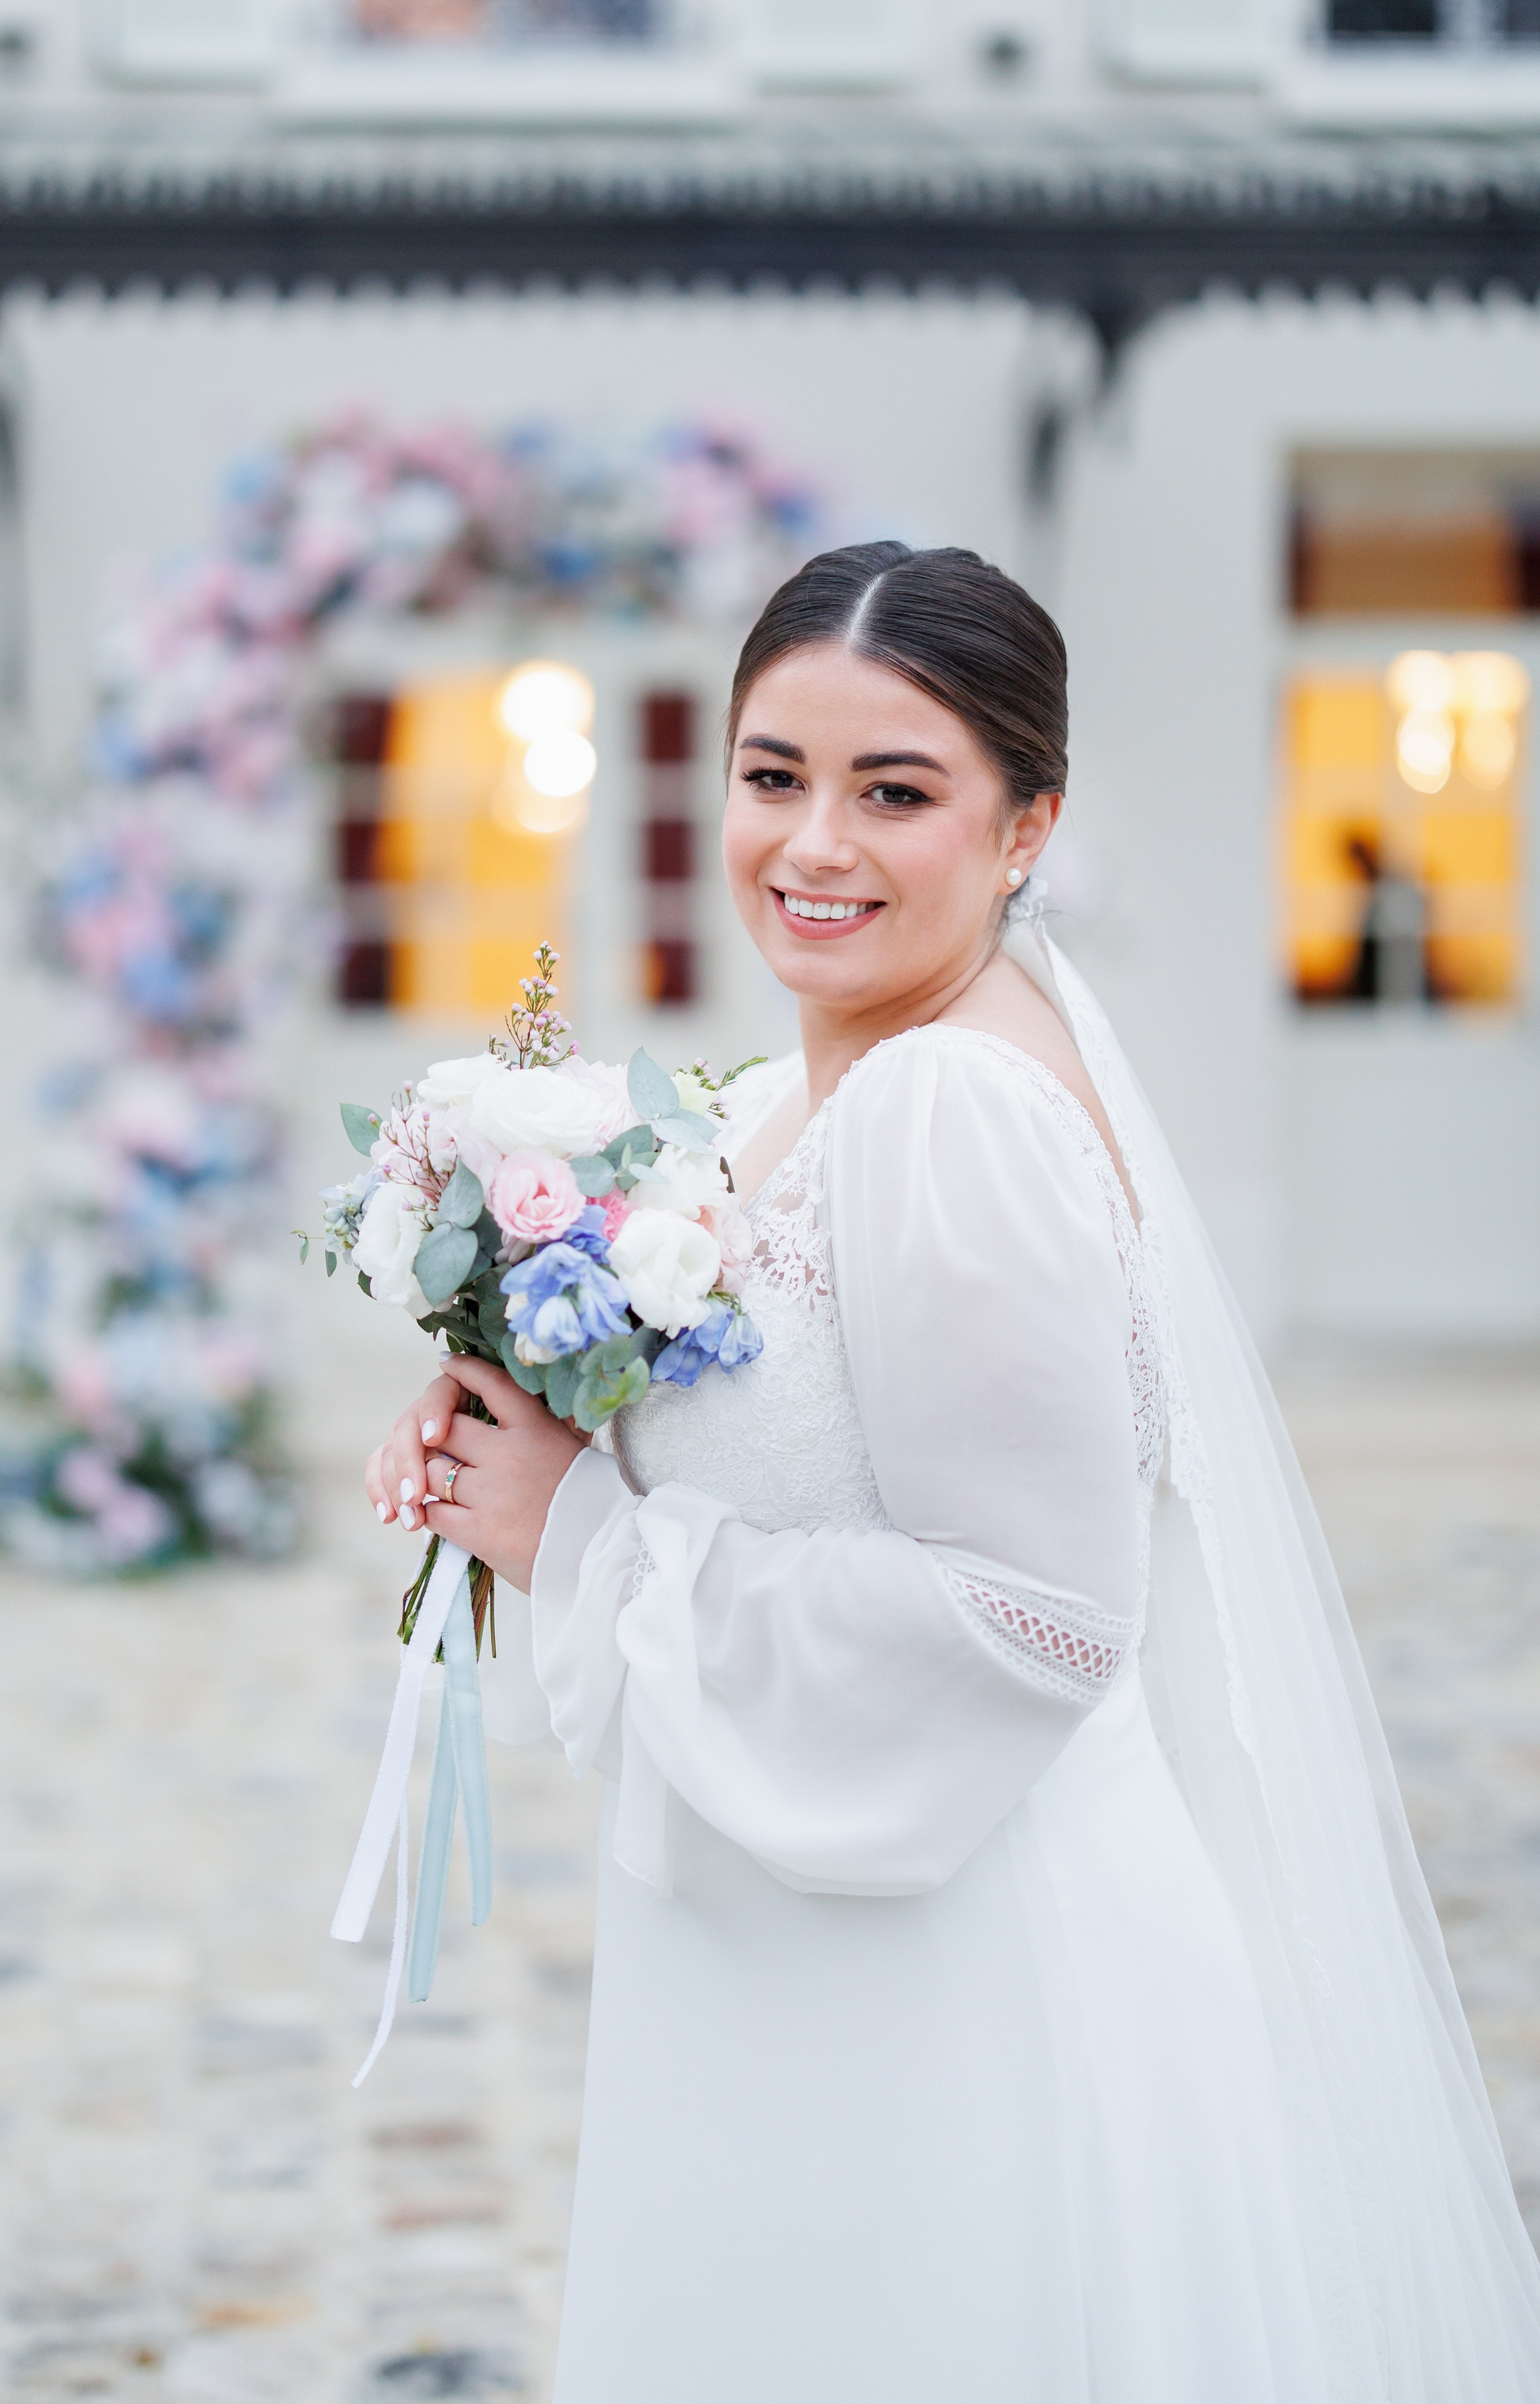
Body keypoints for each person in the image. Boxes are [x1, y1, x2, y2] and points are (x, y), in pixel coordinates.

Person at [365, 543, 1540, 2402]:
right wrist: (536, 1420)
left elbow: (1038, 1611)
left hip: (960, 2001)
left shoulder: (952, 1111)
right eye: (773, 774)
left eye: (894, 790)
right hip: (810, 1958)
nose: (813, 843)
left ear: (1024, 830)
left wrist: (581, 1532)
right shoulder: (781, 1100)